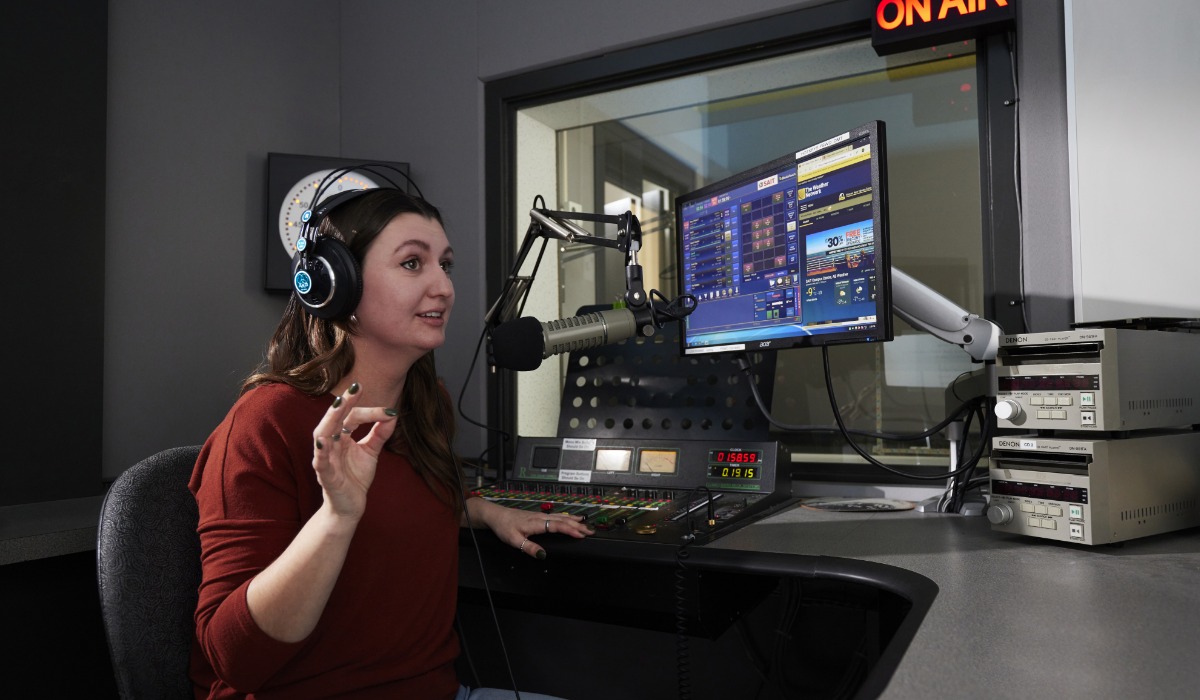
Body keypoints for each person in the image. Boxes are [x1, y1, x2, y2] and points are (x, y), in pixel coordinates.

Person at [188, 187, 593, 699]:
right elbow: (236, 660)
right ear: (338, 286)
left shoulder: (427, 403)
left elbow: (405, 499)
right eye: (411, 264)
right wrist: (336, 518)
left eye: (445, 265)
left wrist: (481, 509)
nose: (442, 286)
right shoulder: (266, 422)